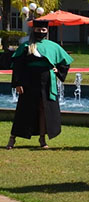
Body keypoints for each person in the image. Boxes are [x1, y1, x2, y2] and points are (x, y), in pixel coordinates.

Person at [6, 19, 73, 149]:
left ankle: (42, 139)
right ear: (34, 30)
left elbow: (65, 62)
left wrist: (58, 70)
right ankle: (12, 139)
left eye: (43, 30)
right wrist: (18, 83)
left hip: (47, 82)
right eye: (38, 29)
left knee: (44, 109)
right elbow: (18, 66)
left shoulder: (53, 46)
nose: (41, 31)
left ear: (47, 30)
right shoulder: (26, 46)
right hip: (29, 81)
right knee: (23, 109)